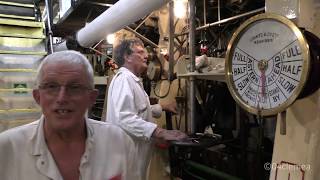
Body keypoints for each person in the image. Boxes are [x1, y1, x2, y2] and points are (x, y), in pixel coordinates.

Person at [0, 50, 137, 180]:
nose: (62, 98)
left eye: (74, 87)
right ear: (37, 97)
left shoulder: (119, 143)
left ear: (91, 97)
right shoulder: (7, 149)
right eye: (51, 87)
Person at [107, 38, 187, 180]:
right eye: (140, 52)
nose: (146, 56)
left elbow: (140, 110)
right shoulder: (124, 79)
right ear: (127, 56)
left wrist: (162, 107)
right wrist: (159, 132)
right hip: (127, 159)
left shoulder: (132, 80)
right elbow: (125, 117)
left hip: (135, 158)